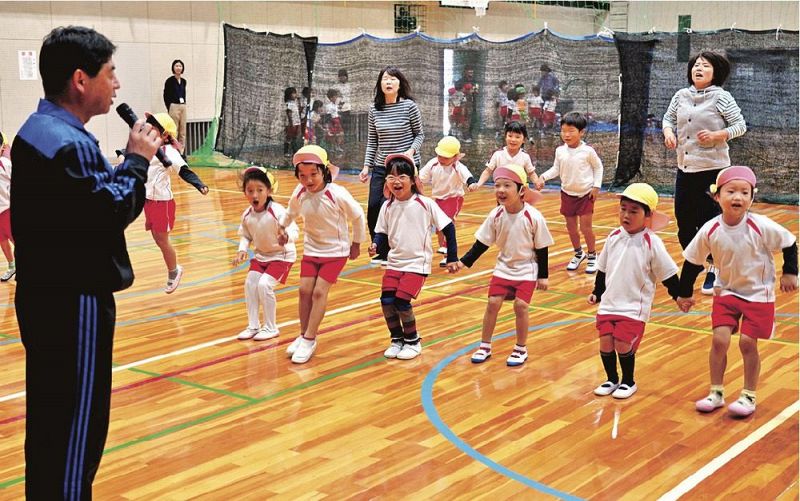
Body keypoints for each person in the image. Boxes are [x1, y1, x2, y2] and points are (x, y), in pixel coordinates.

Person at [11, 26, 161, 498]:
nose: (116, 85)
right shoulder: (72, 144)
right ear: (81, 79)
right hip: (75, 303)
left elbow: (76, 208)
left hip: (42, 295)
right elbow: (107, 213)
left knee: (50, 424)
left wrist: (115, 172)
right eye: (111, 73)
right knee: (77, 429)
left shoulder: (37, 129)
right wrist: (137, 162)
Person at [677, 166, 797, 417]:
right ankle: (716, 392)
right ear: (716, 196)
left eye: (745, 192)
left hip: (758, 295)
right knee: (719, 339)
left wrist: (790, 272)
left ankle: (748, 396)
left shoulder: (759, 225)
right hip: (727, 292)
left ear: (752, 198)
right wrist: (685, 292)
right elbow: (692, 261)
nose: (738, 197)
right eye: (731, 191)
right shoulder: (711, 229)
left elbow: (789, 242)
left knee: (746, 343)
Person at [663, 51, 747, 295]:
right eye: (696, 65)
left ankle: (715, 268)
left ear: (715, 72)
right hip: (685, 169)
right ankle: (699, 262)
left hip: (713, 170)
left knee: (712, 222)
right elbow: (667, 119)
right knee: (684, 222)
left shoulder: (721, 97)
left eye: (705, 66)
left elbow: (740, 126)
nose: (698, 68)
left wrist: (717, 135)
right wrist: (668, 132)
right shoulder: (680, 96)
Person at [588, 183, 681, 399]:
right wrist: (597, 292)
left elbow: (667, 273)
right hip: (609, 303)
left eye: (633, 211)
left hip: (633, 307)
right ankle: (611, 378)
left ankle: (628, 381)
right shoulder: (613, 237)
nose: (626, 215)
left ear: (648, 215)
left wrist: (678, 296)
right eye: (623, 208)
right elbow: (602, 269)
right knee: (606, 342)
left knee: (622, 344)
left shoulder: (651, 242)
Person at [457, 164, 552, 367]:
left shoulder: (533, 216)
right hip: (503, 268)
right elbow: (482, 243)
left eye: (507, 185)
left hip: (527, 268)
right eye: (497, 185)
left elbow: (542, 248)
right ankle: (484, 345)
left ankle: (520, 348)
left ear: (521, 190)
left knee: (521, 306)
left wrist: (543, 275)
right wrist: (463, 262)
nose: (500, 190)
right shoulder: (496, 215)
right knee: (492, 304)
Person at [279, 145, 366, 364]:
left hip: (336, 252)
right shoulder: (299, 193)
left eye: (313, 174)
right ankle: (302, 334)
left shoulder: (337, 194)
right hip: (311, 249)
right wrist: (282, 228)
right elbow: (290, 213)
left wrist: (356, 242)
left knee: (318, 292)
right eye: (302, 176)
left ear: (324, 171)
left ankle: (310, 338)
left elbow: (358, 217)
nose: (308, 180)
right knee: (303, 290)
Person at [370, 153, 460, 360]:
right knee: (386, 300)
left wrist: (453, 257)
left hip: (417, 264)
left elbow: (448, 228)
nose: (396, 181)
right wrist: (376, 245)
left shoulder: (425, 203)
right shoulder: (387, 206)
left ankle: (412, 340)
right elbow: (382, 233)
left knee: (402, 301)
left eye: (402, 176)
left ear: (412, 180)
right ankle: (396, 339)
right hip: (394, 262)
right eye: (391, 177)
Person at [360, 66, 424, 265]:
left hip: (404, 165)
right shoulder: (374, 109)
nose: (388, 82)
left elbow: (419, 134)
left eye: (393, 79)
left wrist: (410, 152)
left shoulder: (409, 107)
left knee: (401, 208)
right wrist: (366, 166)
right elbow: (373, 140)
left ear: (399, 84)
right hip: (381, 165)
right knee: (374, 206)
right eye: (385, 79)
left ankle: (403, 248)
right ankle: (379, 248)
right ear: (380, 84)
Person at [142, 112, 208, 294]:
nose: (149, 128)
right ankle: (173, 268)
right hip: (148, 201)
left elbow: (184, 170)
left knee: (162, 240)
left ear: (164, 135)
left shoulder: (168, 152)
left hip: (162, 203)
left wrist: (199, 184)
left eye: (153, 125)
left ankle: (174, 270)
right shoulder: (146, 147)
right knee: (157, 238)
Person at [233, 166, 298, 341]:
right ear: (244, 192)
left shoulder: (277, 211)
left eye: (260, 190)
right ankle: (253, 325)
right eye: (250, 190)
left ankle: (271, 327)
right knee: (250, 284)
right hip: (261, 256)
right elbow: (245, 235)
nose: (255, 195)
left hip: (282, 257)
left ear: (269, 191)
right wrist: (241, 250)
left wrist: (287, 237)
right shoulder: (247, 214)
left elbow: (295, 230)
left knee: (264, 285)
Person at [536, 112, 603, 273]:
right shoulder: (560, 151)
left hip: (586, 195)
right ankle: (578, 253)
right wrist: (543, 177)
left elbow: (598, 167)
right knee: (571, 228)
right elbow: (556, 169)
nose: (566, 134)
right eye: (563, 130)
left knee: (586, 228)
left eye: (571, 131)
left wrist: (596, 187)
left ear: (581, 132)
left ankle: (592, 255)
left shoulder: (587, 151)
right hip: (567, 194)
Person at [417, 136, 476, 267]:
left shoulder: (458, 166)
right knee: (439, 229)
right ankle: (446, 255)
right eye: (440, 156)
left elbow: (467, 176)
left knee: (447, 222)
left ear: (455, 157)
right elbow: (421, 178)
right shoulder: (433, 163)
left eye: (446, 157)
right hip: (438, 200)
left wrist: (471, 183)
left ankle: (446, 247)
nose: (441, 159)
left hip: (454, 198)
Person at [475, 121, 538, 190]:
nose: (513, 140)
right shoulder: (498, 154)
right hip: (502, 191)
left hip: (519, 192)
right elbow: (487, 171)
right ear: (505, 137)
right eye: (510, 136)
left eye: (517, 137)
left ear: (524, 140)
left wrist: (537, 183)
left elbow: (531, 173)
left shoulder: (525, 157)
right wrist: (478, 184)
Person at [163, 58, 187, 152]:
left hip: (183, 106)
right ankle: (173, 151)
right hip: (173, 106)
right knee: (174, 130)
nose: (178, 68)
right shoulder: (169, 81)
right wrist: (169, 107)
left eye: (180, 66)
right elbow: (165, 95)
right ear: (173, 68)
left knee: (183, 130)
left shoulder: (184, 81)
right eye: (176, 66)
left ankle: (181, 151)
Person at [0, 131, 14, 282]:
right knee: (3, 244)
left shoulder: (6, 164)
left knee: (16, 240)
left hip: (8, 210)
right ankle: (12, 267)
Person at [333, 69, 352, 137]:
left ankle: (346, 138)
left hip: (347, 107)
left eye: (343, 76)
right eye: (340, 77)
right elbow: (333, 96)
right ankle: (340, 139)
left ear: (346, 77)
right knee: (340, 124)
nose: (342, 78)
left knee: (347, 124)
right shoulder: (336, 86)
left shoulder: (349, 85)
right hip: (339, 108)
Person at [283, 86, 302, 158]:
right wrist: (291, 124)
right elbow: (289, 114)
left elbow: (299, 111)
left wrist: (299, 101)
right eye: (293, 93)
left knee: (295, 137)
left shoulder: (294, 103)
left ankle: (294, 151)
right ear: (289, 95)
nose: (295, 95)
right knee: (289, 137)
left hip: (296, 122)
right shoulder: (289, 104)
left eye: (295, 93)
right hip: (291, 124)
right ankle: (286, 152)